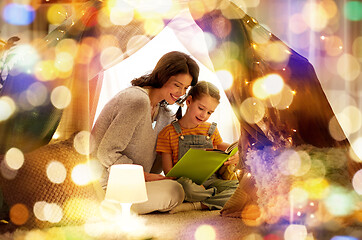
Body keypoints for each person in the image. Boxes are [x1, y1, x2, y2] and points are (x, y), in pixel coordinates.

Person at [90, 51, 200, 214]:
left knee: (181, 188)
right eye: (177, 85)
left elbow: (155, 167)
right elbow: (106, 153)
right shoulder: (137, 100)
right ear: (162, 76)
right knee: (173, 192)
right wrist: (145, 176)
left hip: (134, 183)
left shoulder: (164, 114)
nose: (181, 93)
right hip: (107, 185)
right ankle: (108, 208)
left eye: (185, 88)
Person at [156, 81, 239, 213]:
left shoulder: (210, 129)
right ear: (189, 101)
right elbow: (168, 171)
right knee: (186, 188)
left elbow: (224, 147)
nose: (203, 115)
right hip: (185, 183)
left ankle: (197, 205)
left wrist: (236, 154)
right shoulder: (168, 133)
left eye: (209, 113)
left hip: (211, 180)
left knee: (238, 188)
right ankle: (211, 198)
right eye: (201, 108)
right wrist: (193, 184)